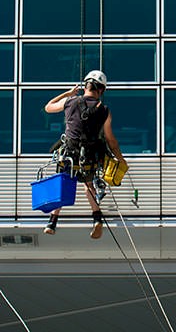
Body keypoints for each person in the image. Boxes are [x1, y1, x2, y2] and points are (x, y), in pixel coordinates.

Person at [42, 70, 124, 239]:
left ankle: (52, 221)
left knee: (63, 185)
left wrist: (69, 93)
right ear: (101, 90)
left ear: (85, 85)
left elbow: (48, 107)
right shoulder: (104, 110)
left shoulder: (69, 101)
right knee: (89, 187)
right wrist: (120, 160)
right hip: (89, 156)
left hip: (69, 154)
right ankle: (97, 218)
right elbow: (111, 140)